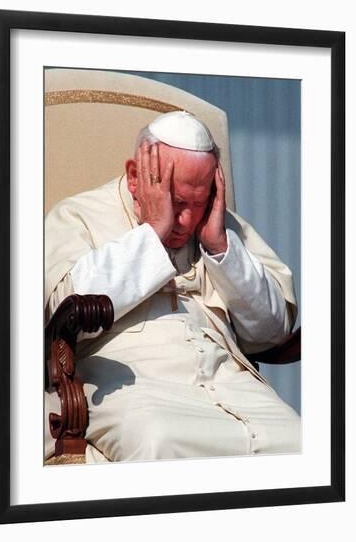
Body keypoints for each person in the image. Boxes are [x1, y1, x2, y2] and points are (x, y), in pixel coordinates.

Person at [45, 111, 301, 463]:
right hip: (131, 387)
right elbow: (59, 308)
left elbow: (273, 331)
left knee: (299, 439)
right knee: (158, 440)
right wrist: (152, 233)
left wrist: (220, 248)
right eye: (177, 202)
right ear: (135, 176)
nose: (185, 221)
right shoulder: (78, 215)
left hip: (230, 383)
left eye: (199, 204)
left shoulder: (222, 227)